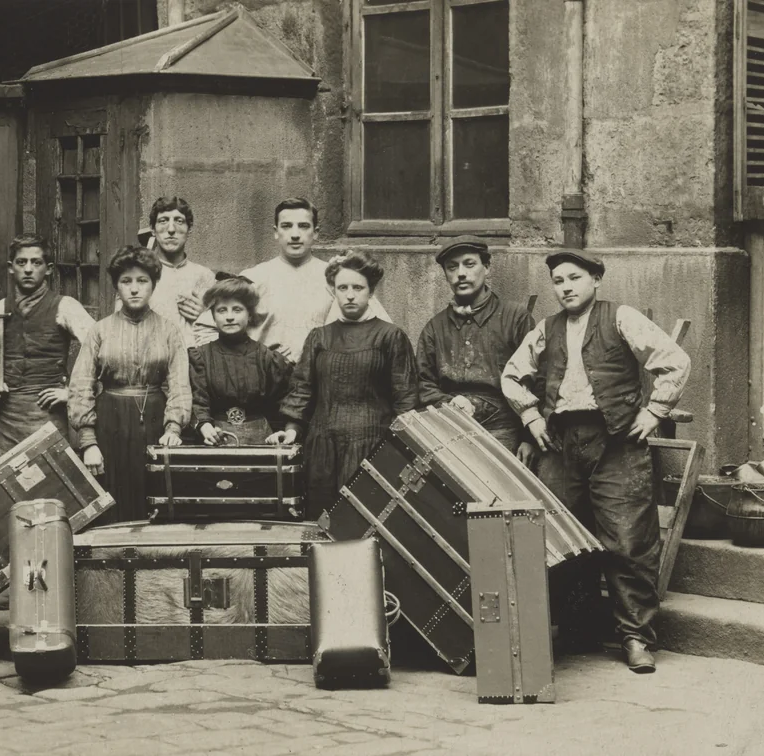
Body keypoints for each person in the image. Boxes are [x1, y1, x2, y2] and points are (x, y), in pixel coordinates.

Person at [501, 249, 691, 674]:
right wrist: (531, 415)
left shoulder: (620, 316)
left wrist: (655, 411)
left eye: (574, 278)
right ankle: (575, 630)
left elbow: (674, 361)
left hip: (617, 443)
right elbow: (511, 375)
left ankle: (636, 637)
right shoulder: (545, 329)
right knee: (562, 538)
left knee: (628, 540)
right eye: (558, 280)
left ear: (595, 280)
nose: (565, 287)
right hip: (562, 444)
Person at [271, 251, 417, 519]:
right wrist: (291, 430)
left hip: (372, 446)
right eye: (343, 288)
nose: (350, 295)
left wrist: (398, 449)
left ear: (371, 291)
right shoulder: (319, 338)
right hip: (323, 449)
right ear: (333, 291)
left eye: (358, 288)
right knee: (322, 522)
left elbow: (405, 398)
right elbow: (302, 388)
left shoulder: (390, 336)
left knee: (364, 523)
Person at [69, 246, 191, 523]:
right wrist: (88, 442)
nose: (134, 289)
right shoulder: (99, 330)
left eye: (142, 281)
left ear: (153, 285)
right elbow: (81, 386)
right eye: (126, 281)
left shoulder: (169, 330)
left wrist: (173, 428)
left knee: (155, 499)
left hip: (155, 422)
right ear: (116, 286)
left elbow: (180, 384)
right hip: (109, 422)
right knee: (110, 497)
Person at [194, 197, 390, 363]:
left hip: (322, 388)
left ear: (316, 232)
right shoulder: (254, 277)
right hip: (265, 390)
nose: (295, 235)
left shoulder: (337, 278)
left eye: (303, 226)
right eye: (287, 226)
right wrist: (247, 361)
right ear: (275, 231)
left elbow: (381, 327)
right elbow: (205, 331)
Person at [0, 234, 96, 455]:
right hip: (7, 418)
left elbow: (100, 349)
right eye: (22, 262)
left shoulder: (65, 307)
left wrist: (71, 393)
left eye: (36, 262)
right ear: (11, 268)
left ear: (48, 269)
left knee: (52, 482)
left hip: (47, 414)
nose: (28, 269)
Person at [415, 235, 535, 462]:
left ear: (487, 267)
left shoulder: (515, 317)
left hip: (505, 430)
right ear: (446, 275)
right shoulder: (435, 328)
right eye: (452, 267)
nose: (461, 273)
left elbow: (536, 378)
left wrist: (528, 438)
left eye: (469, 264)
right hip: (452, 428)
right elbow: (423, 384)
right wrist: (448, 403)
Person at [189, 274, 293, 445]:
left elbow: (284, 401)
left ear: (250, 315)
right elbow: (198, 400)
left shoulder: (267, 357)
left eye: (237, 310)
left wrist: (281, 430)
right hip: (215, 437)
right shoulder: (201, 357)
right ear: (213, 316)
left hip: (262, 439)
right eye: (222, 310)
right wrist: (204, 424)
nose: (230, 317)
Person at [127, 196, 214, 348]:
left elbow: (221, 329)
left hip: (194, 363)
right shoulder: (136, 275)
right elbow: (121, 327)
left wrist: (205, 315)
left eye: (179, 221)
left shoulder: (205, 276)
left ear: (189, 229)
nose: (171, 229)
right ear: (153, 229)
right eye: (163, 221)